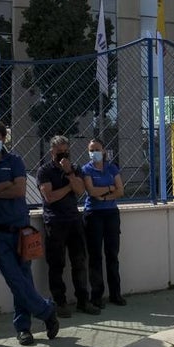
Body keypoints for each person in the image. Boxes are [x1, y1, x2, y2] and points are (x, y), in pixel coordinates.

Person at [0, 119, 60, 345]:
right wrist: (4, 185)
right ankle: (46, 310)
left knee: (23, 277)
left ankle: (23, 328)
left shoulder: (15, 160)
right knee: (13, 278)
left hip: (21, 228)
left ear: (4, 139)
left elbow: (19, 190)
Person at [38, 135, 98, 316]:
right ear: (52, 152)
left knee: (79, 262)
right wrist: (69, 187)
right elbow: (50, 197)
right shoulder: (45, 171)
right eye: (59, 152)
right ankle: (60, 302)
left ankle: (83, 301)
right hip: (54, 221)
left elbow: (80, 190)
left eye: (66, 151)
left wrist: (69, 173)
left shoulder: (75, 169)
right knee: (56, 264)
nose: (63, 154)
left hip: (74, 220)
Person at [82, 137, 126, 307]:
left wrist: (105, 196)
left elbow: (120, 190)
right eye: (91, 150)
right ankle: (96, 296)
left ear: (104, 151)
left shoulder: (111, 168)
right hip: (93, 214)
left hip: (111, 214)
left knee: (112, 254)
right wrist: (109, 188)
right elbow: (91, 191)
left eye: (97, 149)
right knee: (95, 256)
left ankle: (115, 294)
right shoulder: (86, 169)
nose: (94, 153)